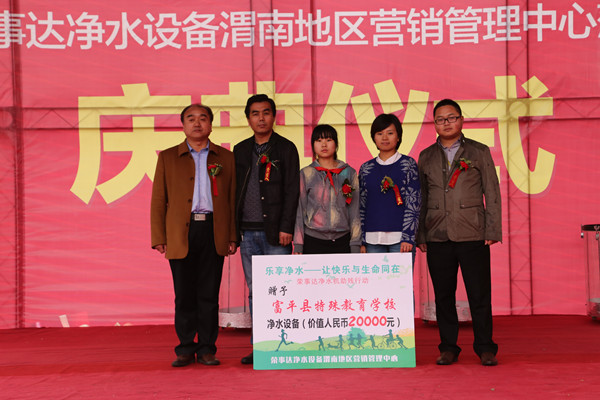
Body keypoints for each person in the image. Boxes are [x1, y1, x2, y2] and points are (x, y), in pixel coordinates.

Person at [417, 98, 502, 366]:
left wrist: (492, 228)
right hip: (437, 234)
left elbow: (492, 192)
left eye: (451, 117)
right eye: (441, 119)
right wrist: (421, 234)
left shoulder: (479, 151)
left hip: (473, 232)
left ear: (461, 120)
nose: (447, 123)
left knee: (479, 293)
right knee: (443, 296)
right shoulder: (426, 156)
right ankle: (448, 348)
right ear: (434, 124)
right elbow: (421, 198)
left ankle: (485, 347)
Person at [151, 104, 237, 367]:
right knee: (184, 294)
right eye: (191, 119)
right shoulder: (168, 157)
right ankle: (185, 348)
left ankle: (208, 348)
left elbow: (232, 199)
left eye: (203, 118)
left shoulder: (225, 157)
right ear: (183, 125)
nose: (197, 123)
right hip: (180, 232)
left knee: (209, 294)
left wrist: (232, 235)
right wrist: (159, 236)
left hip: (214, 230)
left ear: (211, 124)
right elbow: (158, 199)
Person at [233, 94, 300, 365]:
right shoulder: (239, 150)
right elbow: (233, 193)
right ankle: (261, 347)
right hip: (247, 233)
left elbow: (292, 191)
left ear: (274, 116)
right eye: (255, 113)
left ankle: (283, 344)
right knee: (256, 291)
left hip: (276, 233)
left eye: (266, 113)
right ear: (248, 118)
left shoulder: (286, 148)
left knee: (280, 290)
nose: (261, 118)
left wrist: (286, 227)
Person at [293, 124, 361, 255]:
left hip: (343, 239)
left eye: (329, 140)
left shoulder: (349, 173)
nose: (324, 145)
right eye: (319, 141)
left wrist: (355, 244)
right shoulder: (306, 173)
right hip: (313, 239)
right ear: (313, 145)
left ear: (336, 144)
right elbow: (300, 211)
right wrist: (298, 244)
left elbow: (354, 211)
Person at [359, 113, 421, 254]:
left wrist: (408, 237)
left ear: (398, 137)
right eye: (379, 133)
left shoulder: (408, 164)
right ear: (373, 138)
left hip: (400, 240)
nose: (385, 138)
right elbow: (361, 205)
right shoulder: (366, 168)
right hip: (371, 239)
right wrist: (361, 241)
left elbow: (414, 202)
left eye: (390, 133)